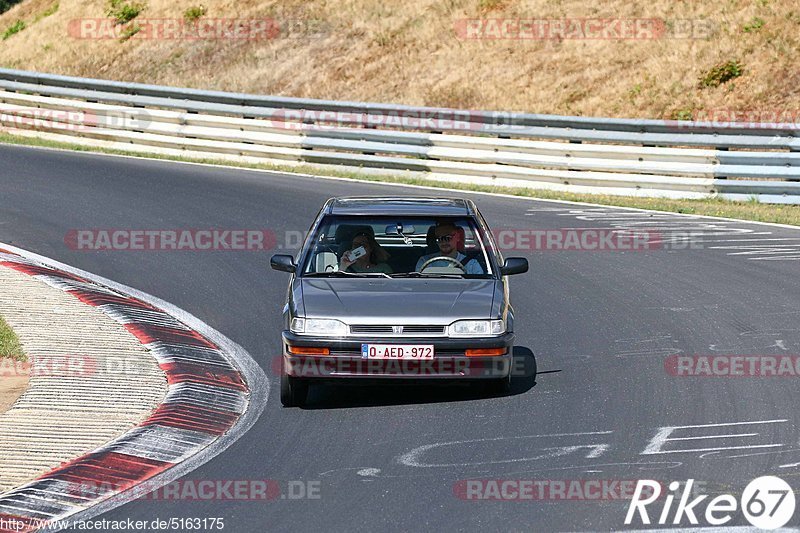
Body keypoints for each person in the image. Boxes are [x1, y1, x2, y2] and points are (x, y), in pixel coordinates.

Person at [415, 221, 484, 274]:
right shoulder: (424, 262)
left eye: (448, 238)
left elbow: (480, 288)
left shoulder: (471, 264)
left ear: (458, 237)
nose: (444, 242)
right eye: (439, 239)